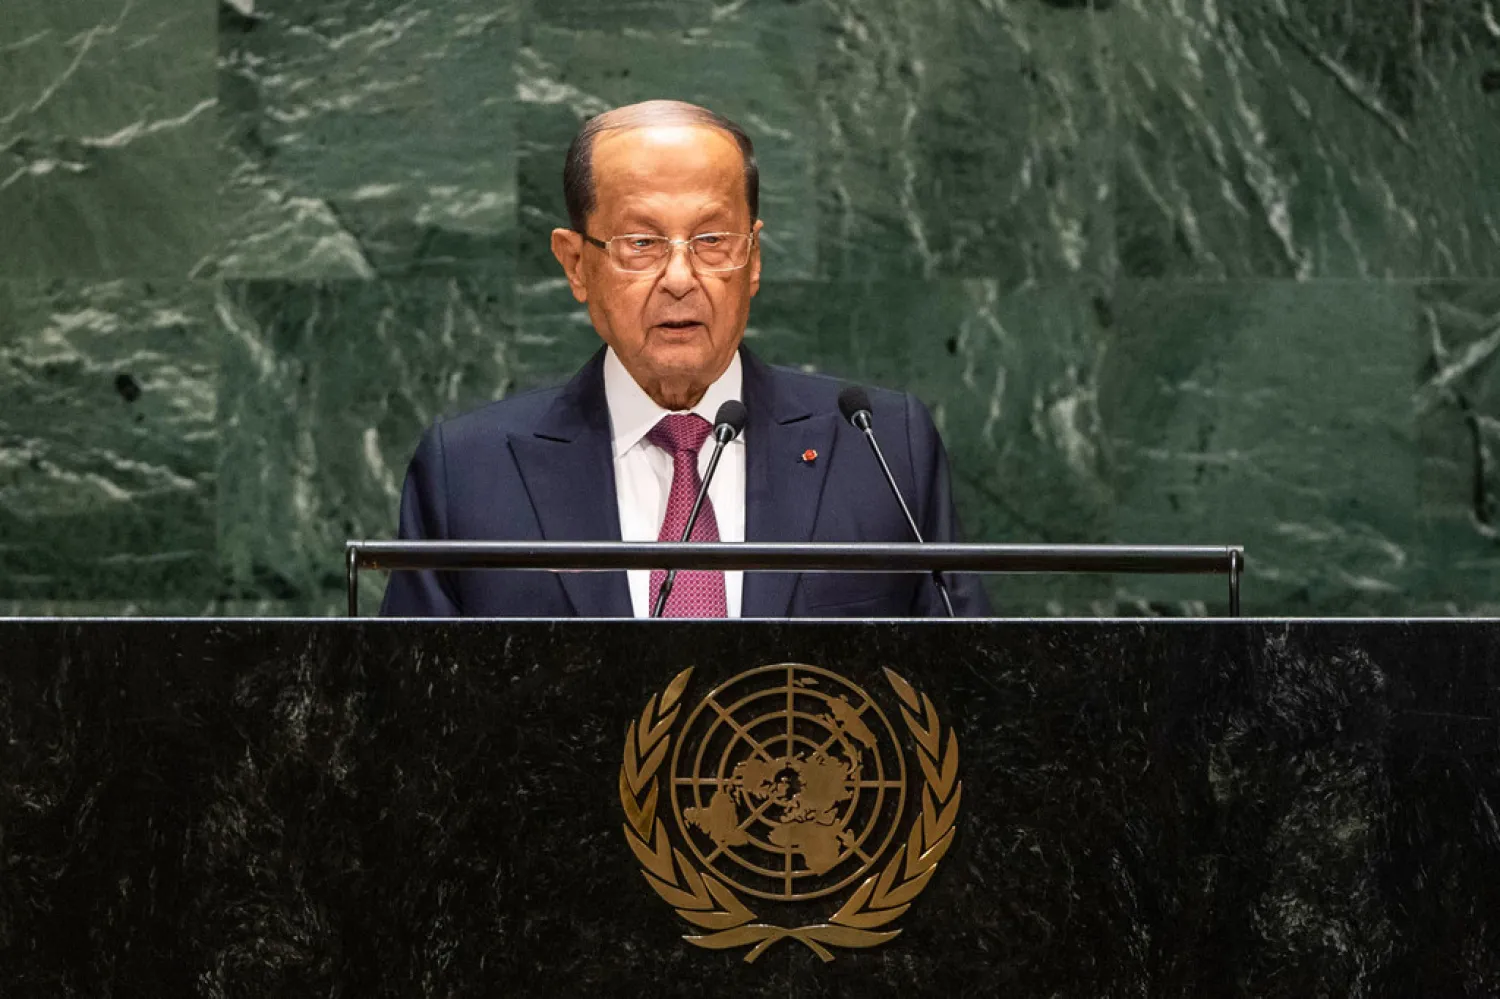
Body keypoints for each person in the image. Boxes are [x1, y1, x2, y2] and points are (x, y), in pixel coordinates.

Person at [380, 100, 989, 618]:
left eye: (712, 241)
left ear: (753, 259)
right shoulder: (469, 473)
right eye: (641, 243)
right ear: (576, 264)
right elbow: (413, 722)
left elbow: (966, 690)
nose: (679, 278)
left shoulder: (879, 447)